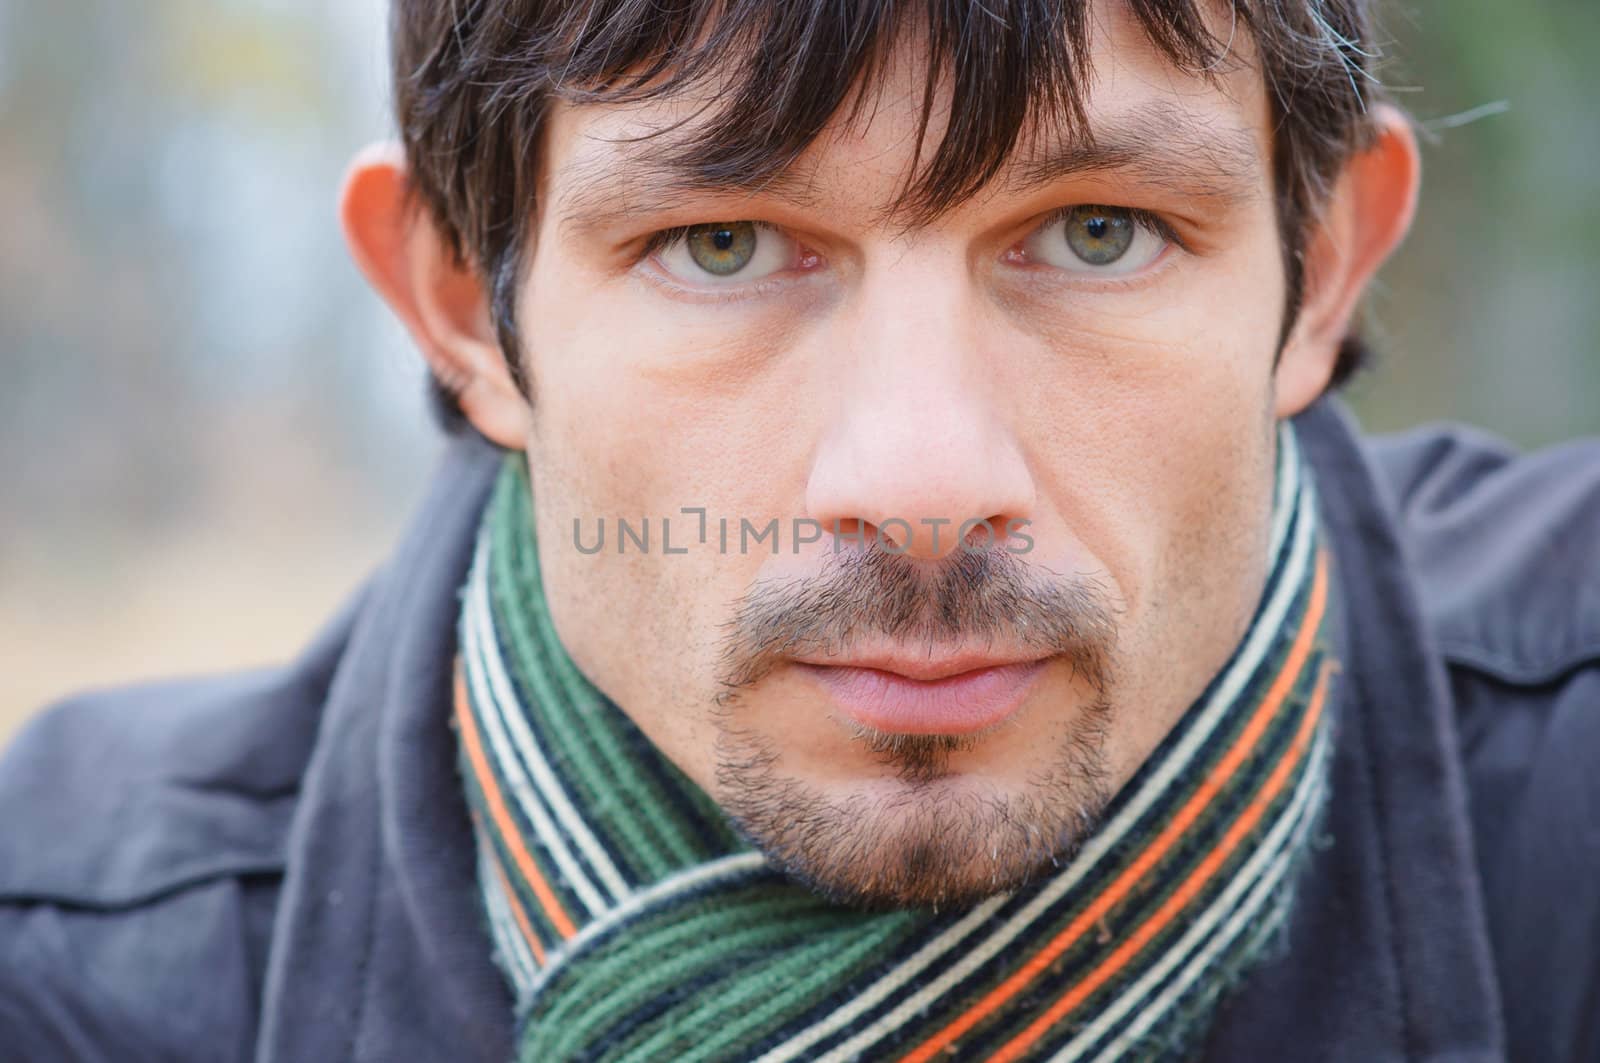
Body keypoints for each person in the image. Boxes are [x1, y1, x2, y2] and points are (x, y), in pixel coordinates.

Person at [2, 1, 1596, 1060]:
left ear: (1320, 268)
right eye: (720, 243)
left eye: (1097, 235)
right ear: (455, 307)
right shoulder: (73, 968)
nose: (917, 480)